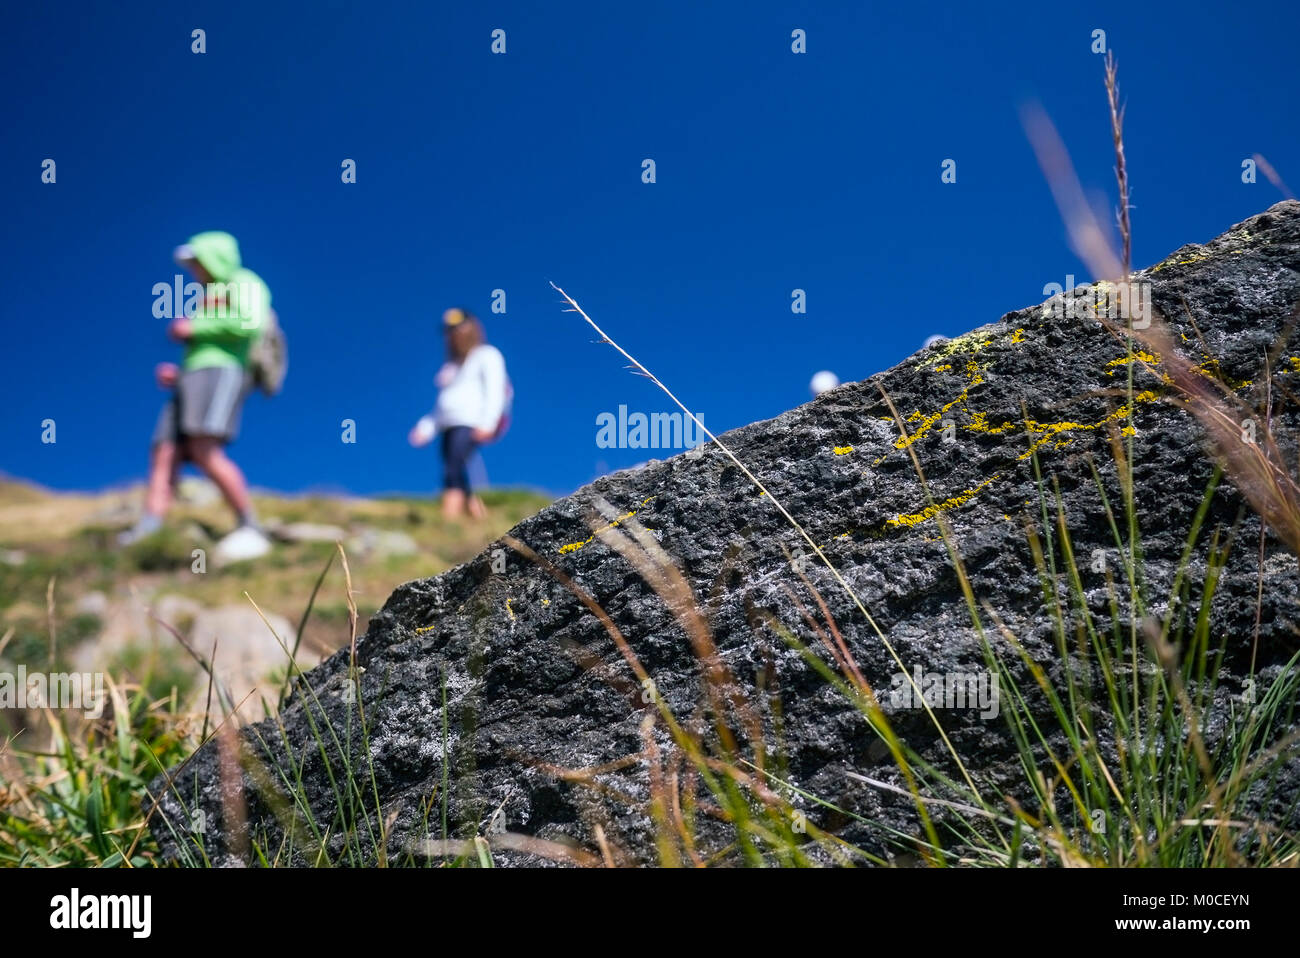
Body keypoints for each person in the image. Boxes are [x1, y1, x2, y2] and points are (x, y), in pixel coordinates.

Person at [118, 232, 272, 562]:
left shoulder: (243, 281)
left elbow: (250, 323)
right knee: (164, 451)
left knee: (203, 447)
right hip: (191, 376)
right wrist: (181, 373)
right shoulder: (207, 293)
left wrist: (194, 328)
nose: (194, 270)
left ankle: (250, 525)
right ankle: (150, 528)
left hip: (223, 371)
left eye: (197, 262)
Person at [409, 307, 509, 520]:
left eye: (459, 327)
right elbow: (442, 405)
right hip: (448, 425)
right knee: (454, 469)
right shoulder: (450, 369)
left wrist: (489, 422)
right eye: (450, 330)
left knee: (453, 468)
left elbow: (496, 390)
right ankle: (477, 516)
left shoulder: (487, 355)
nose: (455, 334)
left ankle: (449, 517)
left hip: (471, 421)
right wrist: (426, 428)